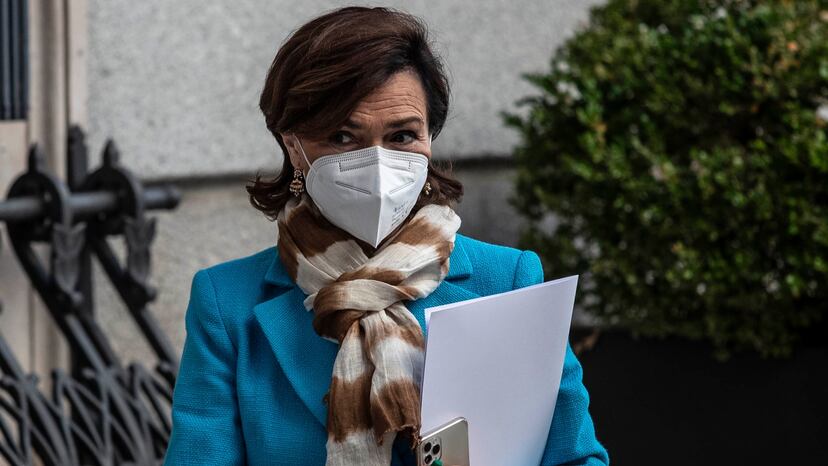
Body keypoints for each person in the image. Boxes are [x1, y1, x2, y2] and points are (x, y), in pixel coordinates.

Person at [163, 6, 609, 466]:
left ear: (429, 138)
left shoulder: (508, 282)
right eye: (342, 136)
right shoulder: (228, 304)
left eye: (401, 136)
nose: (376, 163)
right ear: (292, 145)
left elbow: (577, 458)